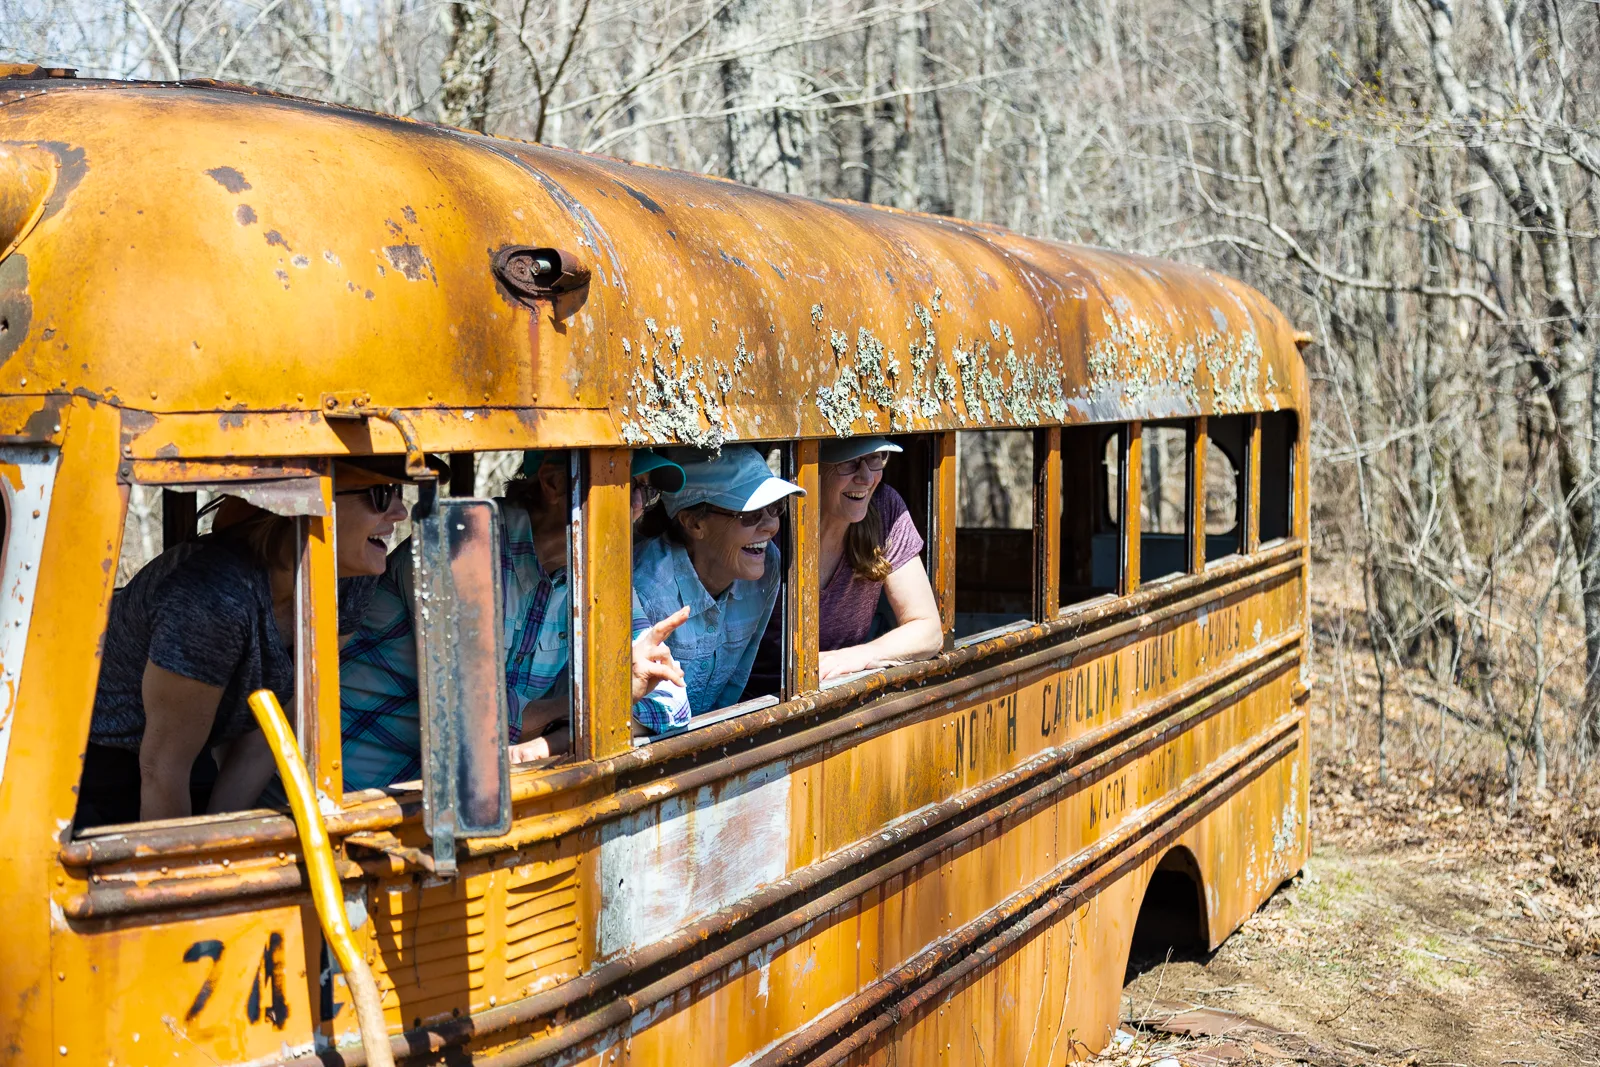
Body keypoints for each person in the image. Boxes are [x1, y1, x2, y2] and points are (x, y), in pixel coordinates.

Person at [75, 462, 408, 830]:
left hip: (185, 753)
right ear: (302, 505)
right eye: (380, 495)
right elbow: (163, 769)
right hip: (87, 762)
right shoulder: (213, 600)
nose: (400, 512)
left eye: (398, 492)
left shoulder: (349, 579)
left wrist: (223, 836)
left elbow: (271, 730)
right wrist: (197, 861)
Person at [340, 450, 692, 791]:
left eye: (647, 493)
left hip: (466, 796)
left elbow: (673, 703)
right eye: (625, 487)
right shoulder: (458, 547)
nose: (637, 507)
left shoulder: (597, 569)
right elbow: (476, 724)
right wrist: (601, 699)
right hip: (363, 798)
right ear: (555, 483)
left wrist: (549, 744)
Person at [633, 446, 805, 715]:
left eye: (775, 507)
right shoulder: (645, 590)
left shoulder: (768, 564)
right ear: (694, 523)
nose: (771, 526)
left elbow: (736, 680)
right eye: (750, 514)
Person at [815, 437, 942, 680]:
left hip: (841, 689)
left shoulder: (884, 507)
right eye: (849, 462)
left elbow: (928, 629)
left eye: (874, 459)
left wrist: (858, 656)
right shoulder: (772, 522)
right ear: (814, 465)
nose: (867, 478)